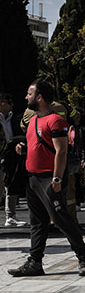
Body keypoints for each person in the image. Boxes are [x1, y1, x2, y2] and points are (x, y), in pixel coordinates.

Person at [8, 80, 85, 277]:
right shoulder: (32, 122)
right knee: (37, 221)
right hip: (33, 179)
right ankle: (35, 262)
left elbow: (61, 151)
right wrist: (23, 150)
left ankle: (84, 257)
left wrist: (57, 179)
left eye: (29, 94)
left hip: (50, 179)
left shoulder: (55, 120)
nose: (26, 97)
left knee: (61, 218)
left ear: (39, 97)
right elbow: (38, 147)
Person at [0, 93, 27, 227]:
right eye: (8, 102)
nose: (11, 105)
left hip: (10, 155)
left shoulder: (13, 118)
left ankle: (10, 216)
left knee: (11, 184)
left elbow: (17, 134)